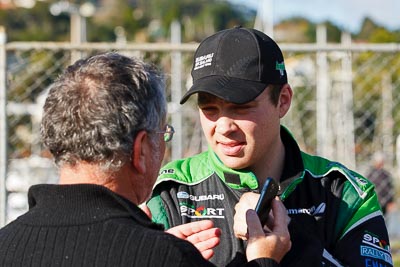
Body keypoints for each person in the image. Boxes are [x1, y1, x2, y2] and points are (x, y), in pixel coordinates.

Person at [0, 52, 291, 266]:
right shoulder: (165, 256)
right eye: (163, 134)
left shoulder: (6, 244)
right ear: (140, 151)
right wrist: (263, 260)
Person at [147, 26, 393, 266]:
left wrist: (291, 240)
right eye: (209, 109)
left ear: (283, 101)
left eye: (241, 106)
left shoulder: (347, 194)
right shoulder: (171, 191)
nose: (223, 127)